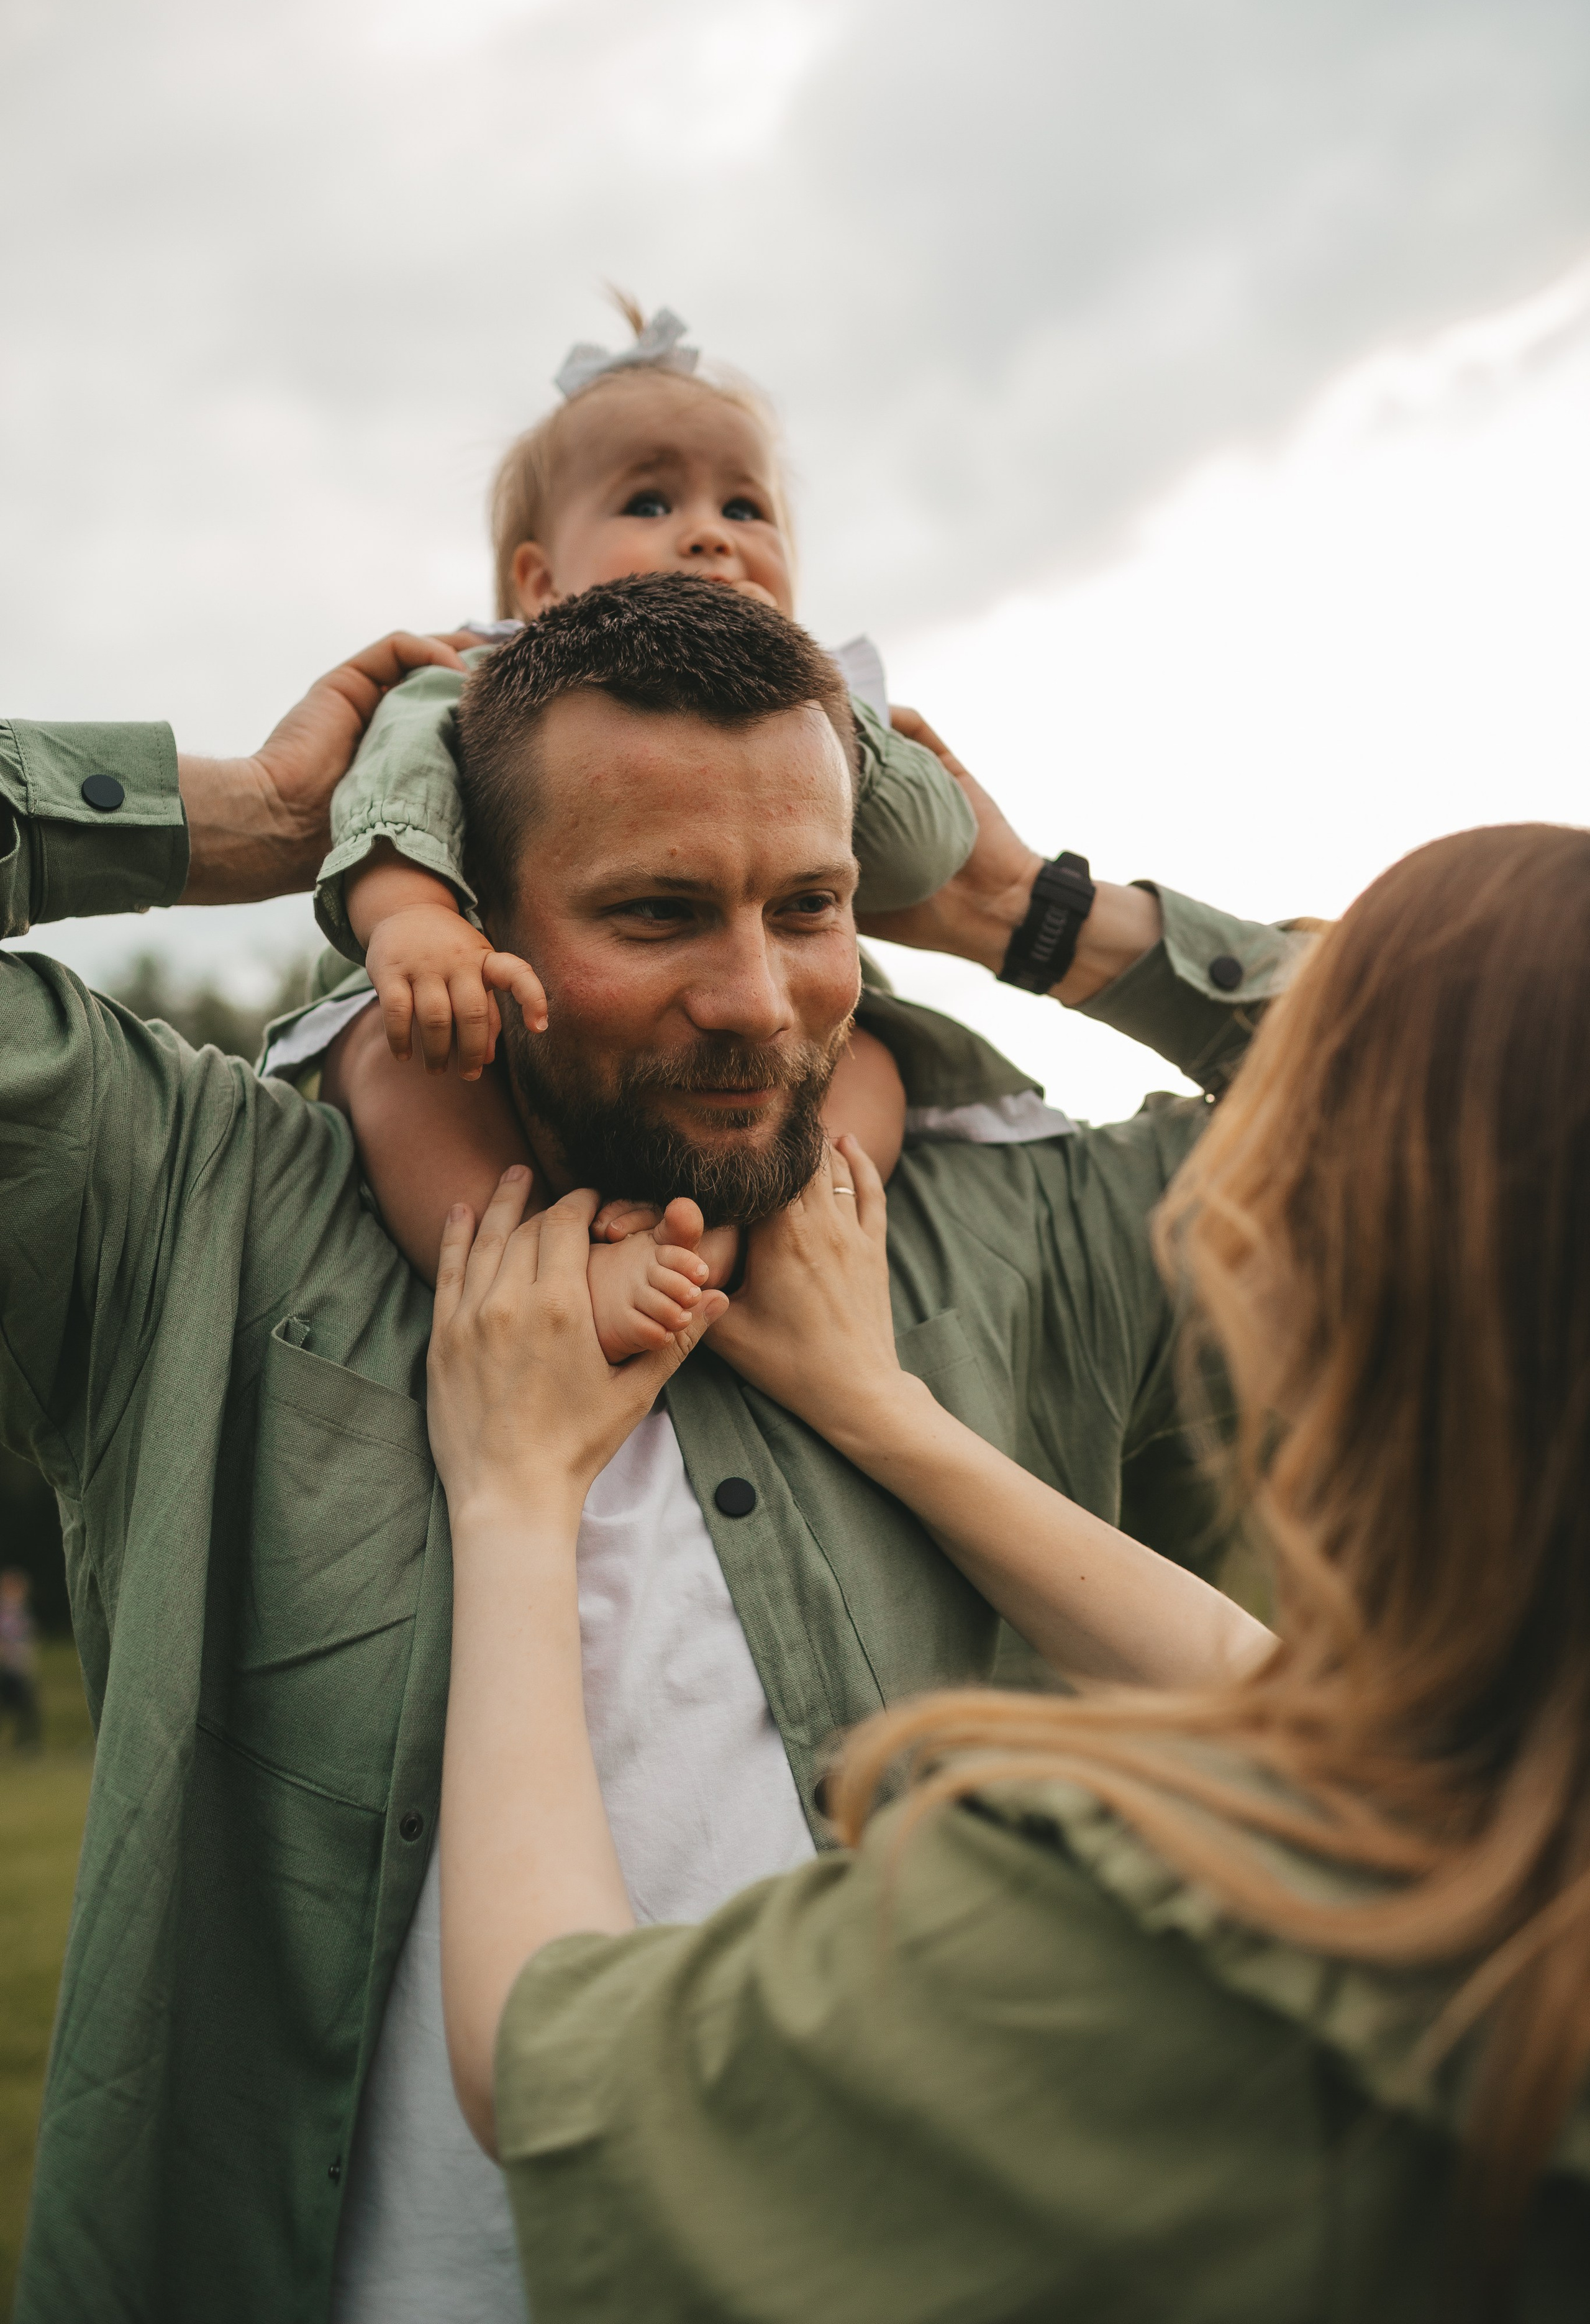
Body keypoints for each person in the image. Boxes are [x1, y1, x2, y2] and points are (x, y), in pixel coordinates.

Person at [1, 578, 1299, 2324]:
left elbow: (1499, 1067)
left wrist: (1026, 910)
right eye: (660, 911)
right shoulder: (202, 1218)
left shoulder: (1018, 1235)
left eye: (815, 903)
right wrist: (268, 822)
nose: (761, 1001)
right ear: (487, 915)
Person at [426, 822, 1590, 2324]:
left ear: (1284, 1272)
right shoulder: (1498, 1806)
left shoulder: (1143, 1936)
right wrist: (886, 1411)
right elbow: (1281, 1696)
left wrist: (514, 1498)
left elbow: (547, 2050)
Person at [268, 300, 979, 1290]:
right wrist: (415, 918)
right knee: (400, 1068)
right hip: (465, 999)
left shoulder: (823, 716)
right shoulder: (476, 682)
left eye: (745, 508)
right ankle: (520, 1280)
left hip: (769, 1088)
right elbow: (393, 795)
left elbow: (921, 853)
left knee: (876, 1070)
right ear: (541, 579)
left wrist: (841, 722)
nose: (707, 537)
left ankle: (765, 1241)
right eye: (649, 504)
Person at [0, 1567, 42, 1751]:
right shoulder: (6, 1612)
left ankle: (26, 1744)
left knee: (28, 1708)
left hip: (20, 1667)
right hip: (7, 1668)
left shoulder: (23, 1611)